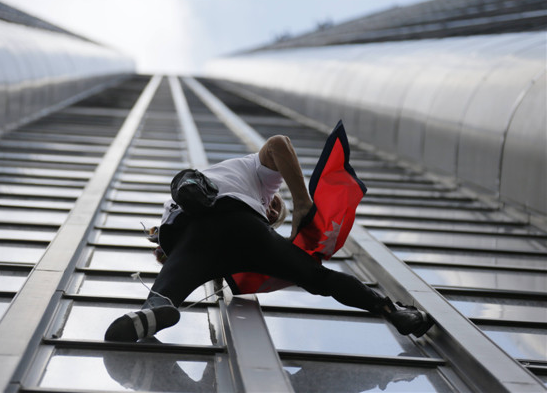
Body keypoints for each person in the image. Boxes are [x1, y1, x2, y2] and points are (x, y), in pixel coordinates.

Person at [105, 135, 434, 342]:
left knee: (170, 284)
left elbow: (174, 252)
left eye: (277, 215)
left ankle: (155, 309)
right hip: (238, 225)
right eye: (277, 210)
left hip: (195, 237)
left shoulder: (198, 193)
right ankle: (392, 311)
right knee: (317, 277)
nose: (275, 210)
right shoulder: (256, 175)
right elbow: (278, 143)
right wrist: (302, 201)